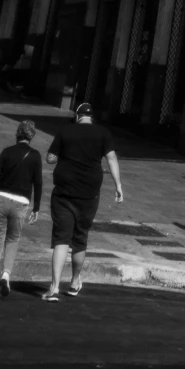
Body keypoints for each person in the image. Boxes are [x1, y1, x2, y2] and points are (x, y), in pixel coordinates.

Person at [44, 99, 122, 301]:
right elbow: (112, 158)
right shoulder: (103, 133)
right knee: (79, 238)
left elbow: (50, 158)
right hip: (89, 194)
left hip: (64, 192)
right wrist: (118, 186)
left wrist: (64, 156)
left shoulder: (65, 131)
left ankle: (53, 287)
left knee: (61, 238)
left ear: (77, 116)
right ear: (91, 116)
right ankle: (75, 281)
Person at [0, 118, 44, 299]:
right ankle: (6, 274)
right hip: (21, 203)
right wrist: (36, 207)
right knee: (13, 239)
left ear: (17, 134)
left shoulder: (7, 152)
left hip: (1, 200)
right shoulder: (36, 156)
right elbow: (38, 183)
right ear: (32, 137)